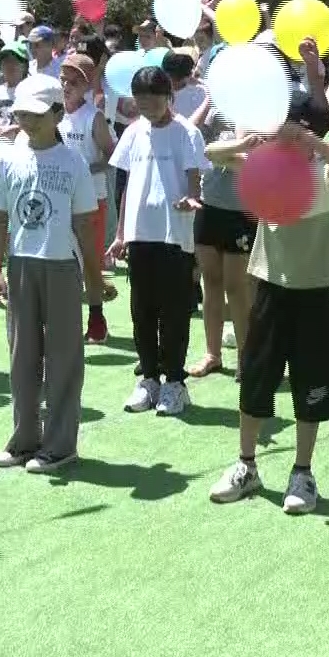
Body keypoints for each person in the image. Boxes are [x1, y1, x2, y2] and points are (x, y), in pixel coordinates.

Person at [207, 92, 329, 514]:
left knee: (311, 383)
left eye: (297, 127)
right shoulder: (264, 166)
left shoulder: (325, 170)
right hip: (268, 287)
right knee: (255, 378)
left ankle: (302, 474)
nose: (287, 135)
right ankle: (246, 467)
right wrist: (249, 142)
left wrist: (314, 143)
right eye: (284, 126)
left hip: (313, 291)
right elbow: (212, 152)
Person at [0, 74, 102, 474]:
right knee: (23, 357)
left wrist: (94, 282)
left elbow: (85, 226)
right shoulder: (8, 158)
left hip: (62, 267)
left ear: (57, 113)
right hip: (21, 264)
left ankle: (60, 444)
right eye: (21, 114)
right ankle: (24, 438)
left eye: (37, 114)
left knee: (63, 357)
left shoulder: (73, 162)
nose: (28, 121)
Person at [107, 65, 206, 417]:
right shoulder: (133, 132)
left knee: (174, 313)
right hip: (140, 237)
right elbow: (126, 187)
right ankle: (149, 378)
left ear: (170, 97)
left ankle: (175, 383)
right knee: (142, 312)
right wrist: (120, 234)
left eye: (154, 98)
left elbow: (194, 178)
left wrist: (192, 198)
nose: (147, 105)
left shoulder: (187, 133)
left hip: (174, 237)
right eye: (140, 99)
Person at [186, 91, 251, 378]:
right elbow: (190, 135)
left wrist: (222, 150)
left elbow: (244, 157)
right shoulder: (213, 112)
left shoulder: (257, 115)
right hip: (208, 205)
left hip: (241, 211)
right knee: (210, 282)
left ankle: (246, 357)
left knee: (237, 287)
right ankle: (213, 354)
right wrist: (210, 100)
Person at [57, 53, 114, 345]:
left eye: (74, 82)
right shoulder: (53, 113)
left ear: (87, 86)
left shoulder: (94, 117)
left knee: (91, 263)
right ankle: (64, 321)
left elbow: (111, 156)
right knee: (62, 263)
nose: (66, 86)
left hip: (91, 200)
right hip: (58, 201)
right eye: (63, 79)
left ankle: (96, 321)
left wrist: (83, 170)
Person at [0, 41, 31, 139]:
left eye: (14, 61)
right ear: (0, 67)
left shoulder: (32, 91)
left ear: (25, 65)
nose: (10, 65)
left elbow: (38, 124)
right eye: (5, 61)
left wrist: (14, 129)